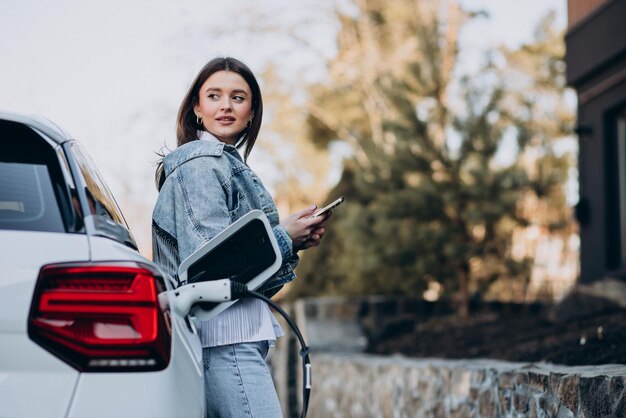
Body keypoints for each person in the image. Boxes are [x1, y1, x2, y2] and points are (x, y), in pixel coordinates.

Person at [151, 57, 328, 417]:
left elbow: (239, 274)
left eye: (238, 97)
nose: (226, 106)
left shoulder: (223, 164)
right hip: (225, 340)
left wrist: (288, 241)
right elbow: (212, 268)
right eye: (214, 96)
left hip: (232, 339)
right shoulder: (202, 164)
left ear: (252, 112)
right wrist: (283, 238)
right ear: (197, 109)